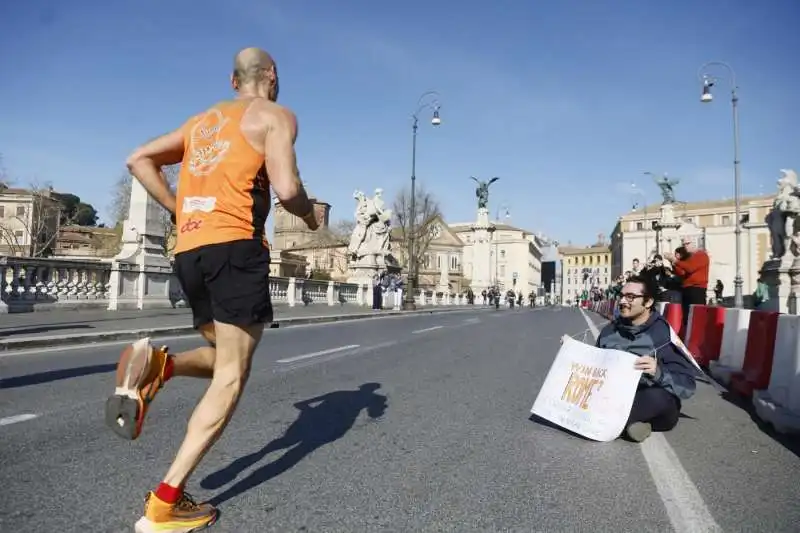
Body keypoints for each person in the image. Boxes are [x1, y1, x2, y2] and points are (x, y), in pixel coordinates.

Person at [104, 47, 319, 532]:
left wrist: (180, 209)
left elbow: (138, 159)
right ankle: (165, 501)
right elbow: (286, 189)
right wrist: (309, 215)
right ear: (272, 76)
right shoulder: (275, 115)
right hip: (235, 247)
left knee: (223, 352)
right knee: (232, 376)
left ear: (232, 80)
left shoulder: (201, 122)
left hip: (190, 250)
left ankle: (164, 365)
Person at [595, 275, 698, 442]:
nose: (622, 301)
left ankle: (610, 422)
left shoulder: (664, 335)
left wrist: (658, 372)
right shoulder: (608, 332)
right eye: (621, 296)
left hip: (648, 398)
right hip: (614, 396)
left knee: (659, 398)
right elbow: (594, 369)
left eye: (630, 297)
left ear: (648, 302)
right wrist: (572, 354)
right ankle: (629, 425)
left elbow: (687, 386)